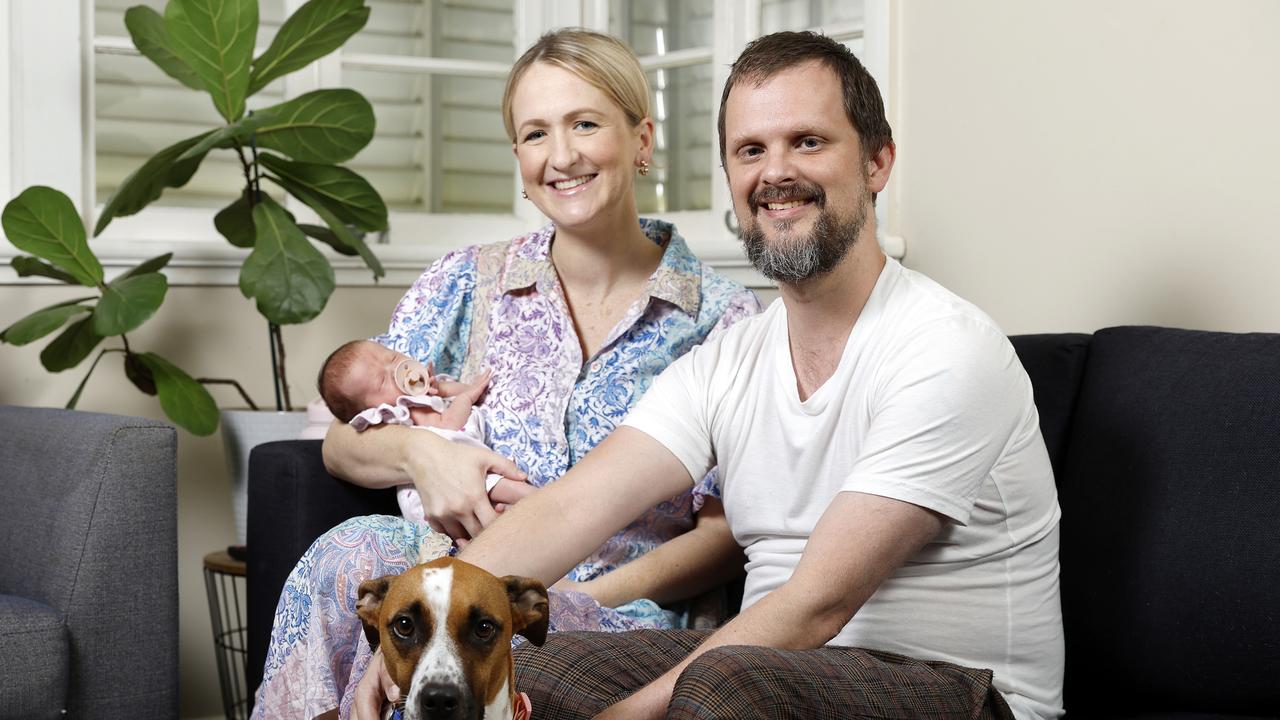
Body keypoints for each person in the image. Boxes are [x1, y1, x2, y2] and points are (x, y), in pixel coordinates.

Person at [357, 30, 1065, 720]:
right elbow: (571, 510)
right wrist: (408, 649)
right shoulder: (730, 361)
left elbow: (818, 603)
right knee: (530, 668)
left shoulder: (944, 348)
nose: (776, 172)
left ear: (877, 162)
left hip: (954, 686)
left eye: (808, 141)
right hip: (778, 670)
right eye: (751, 150)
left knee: (720, 687)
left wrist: (625, 716)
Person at [253, 28, 761, 720]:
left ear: (642, 140)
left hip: (617, 601)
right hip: (446, 579)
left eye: (585, 123)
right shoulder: (466, 283)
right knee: (349, 554)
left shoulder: (724, 321)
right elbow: (342, 441)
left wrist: (561, 602)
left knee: (507, 644)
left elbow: (725, 536)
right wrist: (422, 454)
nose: (562, 156)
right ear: (517, 157)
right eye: (535, 134)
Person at [317, 339, 500, 525]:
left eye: (393, 357)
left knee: (493, 490)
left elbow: (461, 392)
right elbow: (449, 423)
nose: (396, 370)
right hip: (436, 492)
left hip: (464, 472)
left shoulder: (421, 394)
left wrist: (440, 389)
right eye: (382, 381)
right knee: (497, 487)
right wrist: (466, 397)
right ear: (371, 411)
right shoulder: (403, 410)